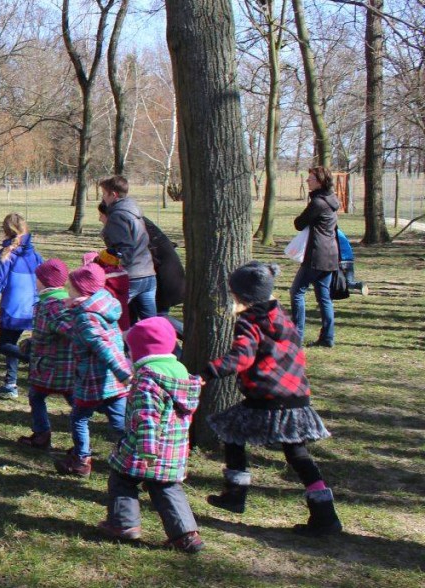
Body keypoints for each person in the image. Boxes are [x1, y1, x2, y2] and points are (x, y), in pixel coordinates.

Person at [202, 261, 340, 538]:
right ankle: (326, 515)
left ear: (240, 295)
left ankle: (235, 494)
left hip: (268, 394)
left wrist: (209, 371)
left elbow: (242, 357)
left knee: (233, 433)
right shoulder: (282, 317)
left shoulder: (249, 322)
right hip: (296, 395)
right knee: (296, 453)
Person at [98, 317, 204, 553]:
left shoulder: (148, 380)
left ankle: (123, 524)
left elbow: (147, 416)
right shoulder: (181, 373)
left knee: (121, 479)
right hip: (174, 447)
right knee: (166, 487)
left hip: (146, 447)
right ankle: (186, 535)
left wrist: (147, 450)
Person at [54, 263, 132, 477]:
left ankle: (82, 460)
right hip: (113, 383)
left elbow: (102, 346)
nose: (67, 292)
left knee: (79, 418)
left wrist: (124, 373)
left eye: (71, 288)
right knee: (119, 423)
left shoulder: (86, 317)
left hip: (93, 380)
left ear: (81, 291)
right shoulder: (104, 307)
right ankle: (135, 456)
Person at [0, 214, 44, 399]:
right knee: (11, 344)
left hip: (14, 308)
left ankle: (35, 361)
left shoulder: (5, 255)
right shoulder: (35, 255)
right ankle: (10, 384)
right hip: (33, 307)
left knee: (4, 345)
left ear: (5, 231)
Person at [16, 259, 75, 450]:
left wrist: (36, 343)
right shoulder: (64, 302)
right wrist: (33, 342)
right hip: (64, 365)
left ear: (43, 281)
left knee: (38, 397)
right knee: (71, 401)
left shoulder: (51, 306)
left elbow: (68, 330)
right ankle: (45, 435)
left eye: (38, 278)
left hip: (52, 364)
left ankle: (44, 435)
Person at [291, 166, 342, 348]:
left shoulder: (318, 203)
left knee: (297, 292)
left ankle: (297, 336)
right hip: (330, 255)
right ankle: (328, 337)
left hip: (316, 254)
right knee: (324, 298)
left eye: (310, 179)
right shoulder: (332, 200)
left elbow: (299, 223)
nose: (307, 181)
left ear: (320, 181)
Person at [98, 176, 157, 321]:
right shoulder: (133, 211)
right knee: (151, 326)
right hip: (148, 274)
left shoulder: (117, 216)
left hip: (132, 276)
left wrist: (105, 260)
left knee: (116, 320)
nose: (103, 198)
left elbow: (125, 250)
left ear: (113, 194)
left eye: (104, 194)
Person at [335, 228, 368, 295]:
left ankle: (327, 300)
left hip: (340, 260)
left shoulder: (329, 233)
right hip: (349, 259)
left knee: (331, 281)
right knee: (349, 283)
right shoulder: (340, 232)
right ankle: (359, 285)